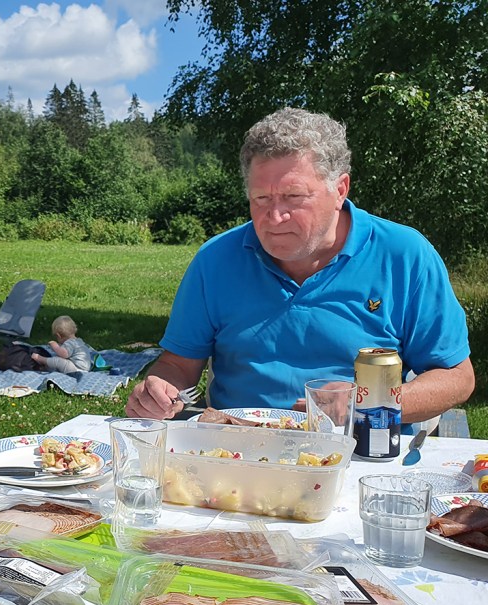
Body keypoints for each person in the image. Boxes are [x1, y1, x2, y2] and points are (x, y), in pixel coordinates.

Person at [126, 107, 474, 428]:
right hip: (236, 455)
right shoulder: (216, 259)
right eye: (261, 199)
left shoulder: (404, 254)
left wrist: (367, 402)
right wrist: (158, 391)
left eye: (294, 197)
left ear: (340, 190)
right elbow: (178, 365)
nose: (274, 217)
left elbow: (456, 376)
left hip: (364, 452)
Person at [31, 316, 96, 373]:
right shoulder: (78, 341)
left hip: (77, 369)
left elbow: (63, 354)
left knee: (58, 361)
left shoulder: (70, 343)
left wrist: (55, 345)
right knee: (62, 362)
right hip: (85, 368)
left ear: (58, 336)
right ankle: (48, 366)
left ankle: (41, 359)